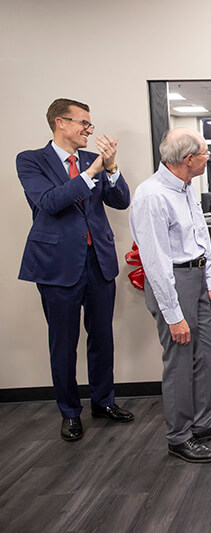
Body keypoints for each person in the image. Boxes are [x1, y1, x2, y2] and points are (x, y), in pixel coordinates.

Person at [17, 98, 134, 441]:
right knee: (63, 343)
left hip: (98, 262)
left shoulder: (93, 162)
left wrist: (111, 168)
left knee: (102, 338)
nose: (88, 130)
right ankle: (70, 412)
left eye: (89, 124)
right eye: (83, 123)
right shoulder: (31, 160)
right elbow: (50, 202)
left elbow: (121, 200)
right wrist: (92, 172)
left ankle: (103, 401)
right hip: (57, 267)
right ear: (60, 123)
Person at [130, 128, 211, 463]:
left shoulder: (187, 187)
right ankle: (179, 436)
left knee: (206, 353)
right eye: (206, 154)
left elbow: (200, 238)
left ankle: (203, 422)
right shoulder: (151, 196)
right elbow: (155, 261)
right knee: (179, 361)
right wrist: (173, 313)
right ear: (189, 159)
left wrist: (210, 282)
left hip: (196, 278)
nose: (210, 159)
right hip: (172, 283)